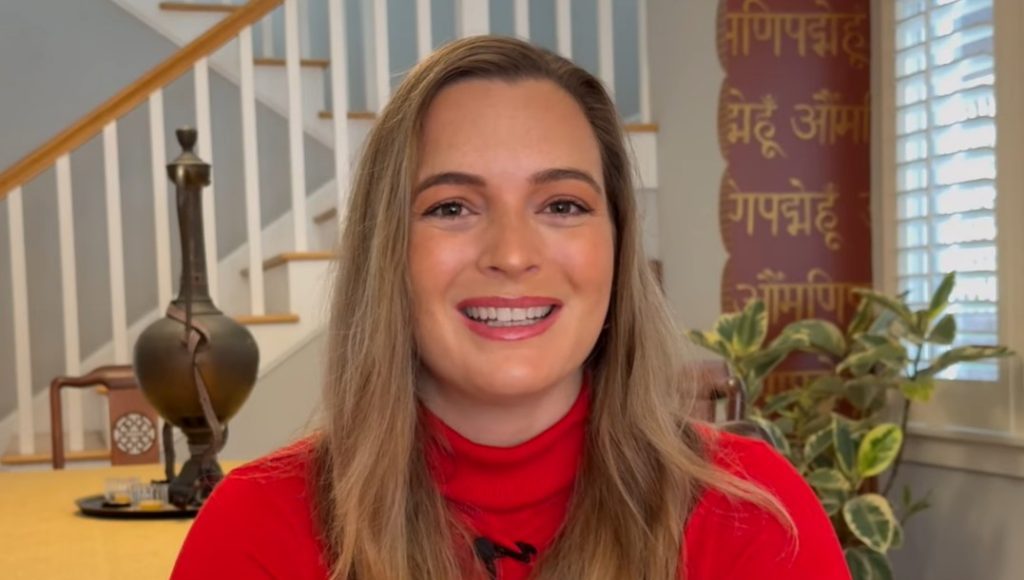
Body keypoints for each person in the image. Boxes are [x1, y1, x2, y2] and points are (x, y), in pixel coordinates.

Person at [172, 36, 850, 580]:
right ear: (389, 252)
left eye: (563, 205)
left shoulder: (753, 515)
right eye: (451, 208)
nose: (513, 254)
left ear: (617, 244)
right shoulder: (255, 529)